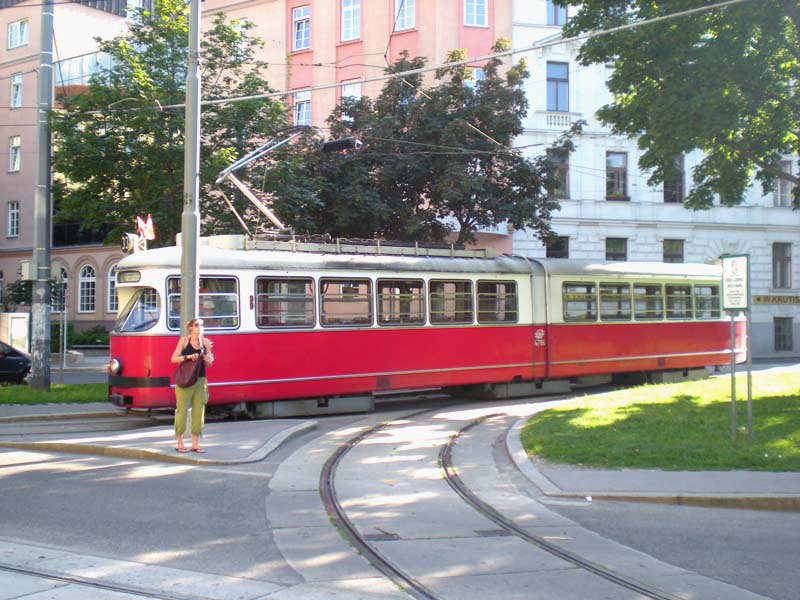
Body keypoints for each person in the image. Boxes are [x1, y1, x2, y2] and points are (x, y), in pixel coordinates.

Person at [171, 318, 214, 453]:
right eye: (196, 325)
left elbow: (209, 364)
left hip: (201, 380)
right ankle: (180, 443)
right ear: (190, 328)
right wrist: (188, 357)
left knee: (198, 411)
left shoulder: (206, 343)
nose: (199, 327)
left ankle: (195, 444)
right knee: (182, 411)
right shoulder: (184, 341)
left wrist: (209, 359)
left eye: (201, 325)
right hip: (185, 381)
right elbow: (173, 359)